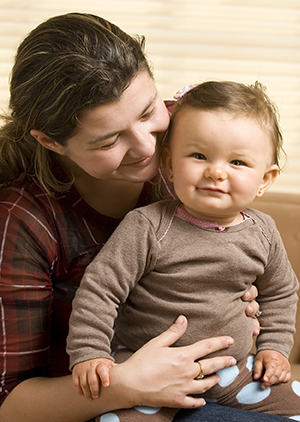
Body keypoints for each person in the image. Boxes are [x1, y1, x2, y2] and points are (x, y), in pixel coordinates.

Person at [0, 11, 285, 422]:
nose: (147, 148)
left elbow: (253, 250)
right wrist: (126, 384)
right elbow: (8, 402)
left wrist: (231, 295)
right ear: (50, 141)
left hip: (221, 374)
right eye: (110, 139)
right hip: (108, 403)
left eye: (149, 110)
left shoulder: (190, 137)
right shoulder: (23, 219)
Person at [67, 81, 300, 421]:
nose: (216, 171)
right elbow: (100, 290)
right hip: (146, 372)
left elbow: (281, 293)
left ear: (265, 179)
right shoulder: (148, 226)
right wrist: (90, 353)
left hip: (230, 370)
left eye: (237, 162)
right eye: (199, 155)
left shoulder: (262, 232)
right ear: (169, 164)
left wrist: (275, 349)